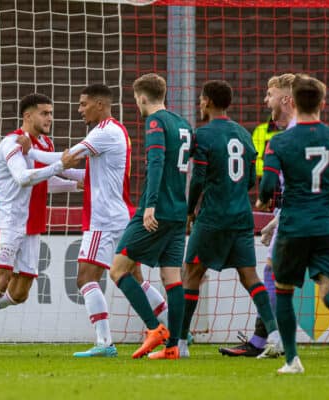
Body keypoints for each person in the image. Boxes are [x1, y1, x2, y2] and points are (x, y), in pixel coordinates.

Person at [0, 93, 83, 357]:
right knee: (1, 280)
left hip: (32, 224)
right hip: (6, 222)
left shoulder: (45, 143)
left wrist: (76, 183)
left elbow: (45, 181)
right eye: (44, 113)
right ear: (28, 116)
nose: (49, 117)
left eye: (51, 112)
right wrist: (61, 165)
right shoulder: (11, 143)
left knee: (19, 294)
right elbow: (22, 177)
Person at [22, 84, 139, 357]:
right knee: (135, 277)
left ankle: (104, 343)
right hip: (117, 215)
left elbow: (65, 159)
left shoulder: (103, 132)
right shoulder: (115, 130)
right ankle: (172, 329)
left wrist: (30, 152)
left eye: (83, 104)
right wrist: (68, 180)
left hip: (103, 219)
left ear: (100, 104)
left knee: (86, 278)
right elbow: (85, 174)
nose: (79, 110)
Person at [258, 74, 329, 374]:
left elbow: (267, 188)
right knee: (328, 286)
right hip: (328, 224)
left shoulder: (280, 141)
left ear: (295, 102)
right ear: (322, 103)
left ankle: (292, 360)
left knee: (284, 288)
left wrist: (264, 201)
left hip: (293, 224)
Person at [178, 80, 281, 359]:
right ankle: (274, 335)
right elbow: (250, 179)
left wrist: (190, 211)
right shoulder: (244, 134)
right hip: (240, 216)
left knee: (192, 273)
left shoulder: (204, 135)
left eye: (200, 99)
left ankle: (181, 343)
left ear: (208, 101)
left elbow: (197, 177)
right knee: (250, 276)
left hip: (212, 217)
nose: (199, 104)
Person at [109, 73, 192, 360]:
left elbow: (156, 163)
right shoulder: (183, 124)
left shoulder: (155, 122)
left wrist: (150, 206)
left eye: (136, 100)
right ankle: (174, 347)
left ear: (143, 98)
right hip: (179, 213)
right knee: (172, 278)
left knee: (118, 270)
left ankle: (154, 329)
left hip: (156, 209)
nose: (137, 106)